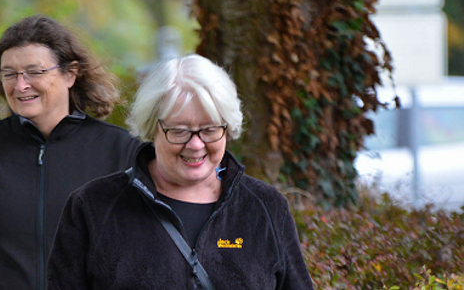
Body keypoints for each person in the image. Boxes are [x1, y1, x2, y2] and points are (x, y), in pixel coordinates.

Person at [46, 55, 314, 289]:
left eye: (209, 129)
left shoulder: (265, 208)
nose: (196, 145)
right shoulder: (93, 207)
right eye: (179, 131)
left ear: (227, 128)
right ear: (152, 129)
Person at [0, 15, 141, 290]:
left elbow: (144, 253)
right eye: (9, 74)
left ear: (70, 73)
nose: (20, 85)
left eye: (34, 72)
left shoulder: (120, 150)